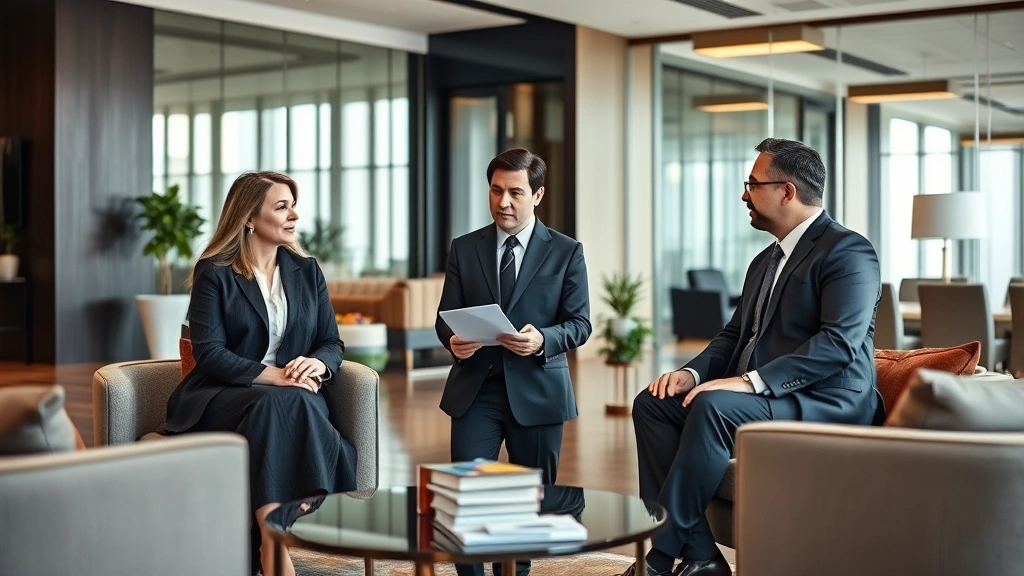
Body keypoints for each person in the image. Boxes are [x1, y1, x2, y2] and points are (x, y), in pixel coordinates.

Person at [624, 138, 884, 576]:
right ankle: (703, 557)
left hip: (829, 400)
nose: (744, 194)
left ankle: (658, 559)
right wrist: (691, 372)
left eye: (752, 183)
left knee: (713, 405)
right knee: (653, 404)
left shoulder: (848, 251)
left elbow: (838, 344)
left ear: (786, 191)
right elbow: (733, 336)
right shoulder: (765, 260)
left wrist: (746, 382)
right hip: (769, 397)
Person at [163, 171, 356, 576]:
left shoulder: (307, 271)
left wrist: (317, 364)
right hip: (222, 394)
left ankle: (271, 537)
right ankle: (275, 540)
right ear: (250, 217)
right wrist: (275, 376)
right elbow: (210, 353)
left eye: (293, 205)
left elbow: (332, 342)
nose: (294, 215)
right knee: (283, 401)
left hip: (292, 394)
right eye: (281, 206)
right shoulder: (214, 271)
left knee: (288, 402)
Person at [435, 148, 592, 576]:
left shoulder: (565, 251)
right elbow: (444, 318)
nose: (504, 202)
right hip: (476, 389)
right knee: (464, 497)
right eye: (496, 190)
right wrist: (455, 341)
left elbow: (580, 324)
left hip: (538, 390)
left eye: (516, 193)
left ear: (537, 195)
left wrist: (544, 339)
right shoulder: (465, 249)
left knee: (529, 500)